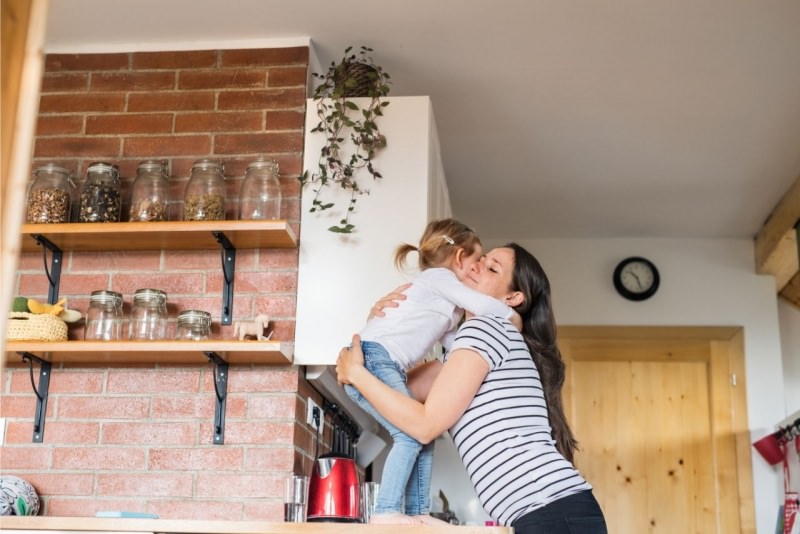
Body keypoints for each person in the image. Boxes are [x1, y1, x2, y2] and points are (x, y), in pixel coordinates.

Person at [336, 243, 608, 534]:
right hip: (551, 512)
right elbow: (400, 396)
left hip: (552, 513)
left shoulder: (486, 330)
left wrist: (356, 372)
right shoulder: (463, 351)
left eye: (492, 268)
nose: (476, 266)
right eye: (480, 260)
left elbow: (423, 425)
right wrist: (380, 325)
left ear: (513, 297)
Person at [346, 218, 518, 525]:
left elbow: (453, 347)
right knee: (411, 437)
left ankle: (418, 512)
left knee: (422, 438)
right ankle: (385, 510)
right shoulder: (439, 278)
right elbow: (481, 304)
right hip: (374, 358)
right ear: (459, 257)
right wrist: (510, 316)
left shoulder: (444, 300)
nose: (478, 268)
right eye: (477, 261)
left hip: (381, 361)